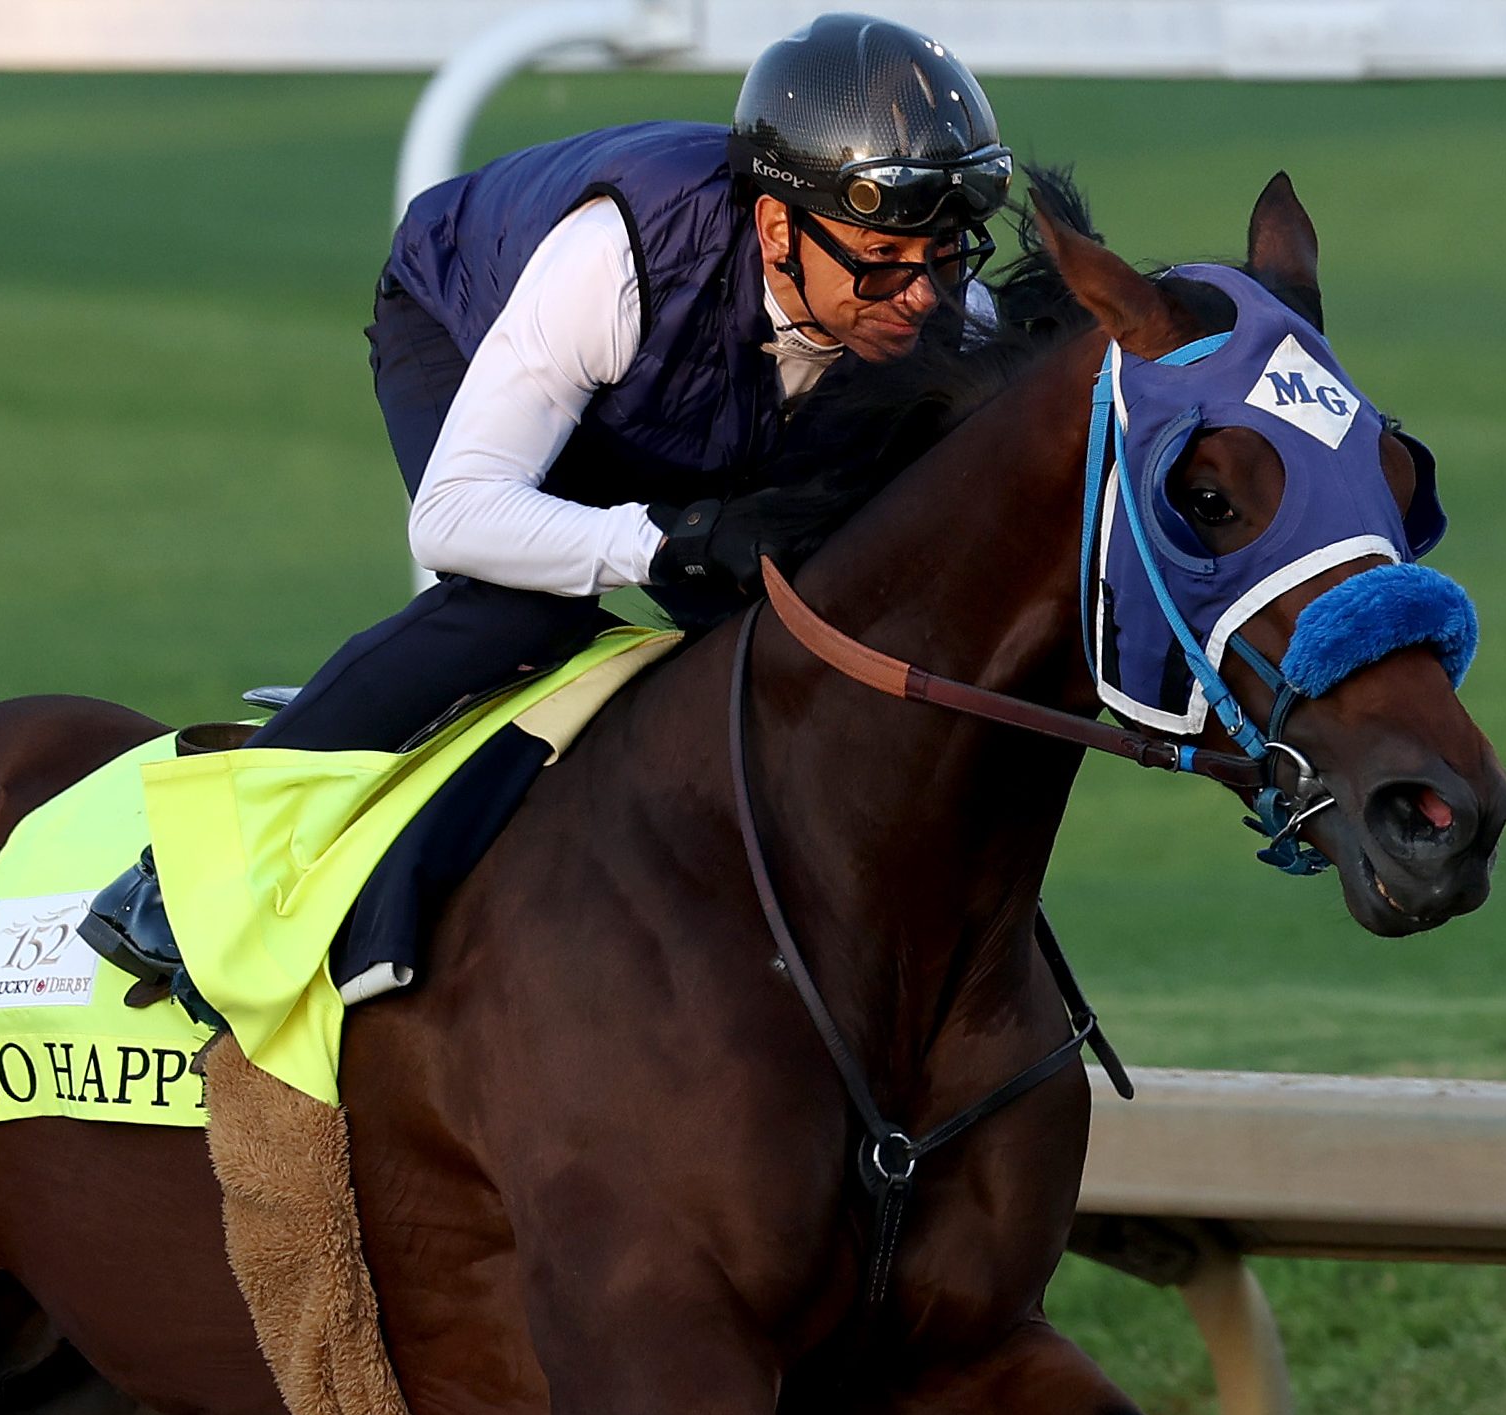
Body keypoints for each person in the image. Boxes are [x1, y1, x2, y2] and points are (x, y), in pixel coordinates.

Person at [85, 11, 1012, 991]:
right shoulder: (617, 259)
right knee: (523, 605)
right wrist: (664, 541)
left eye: (947, 254)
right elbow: (455, 515)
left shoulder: (944, 313)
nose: (919, 296)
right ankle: (183, 877)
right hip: (463, 322)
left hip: (695, 403)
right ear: (777, 226)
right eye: (881, 258)